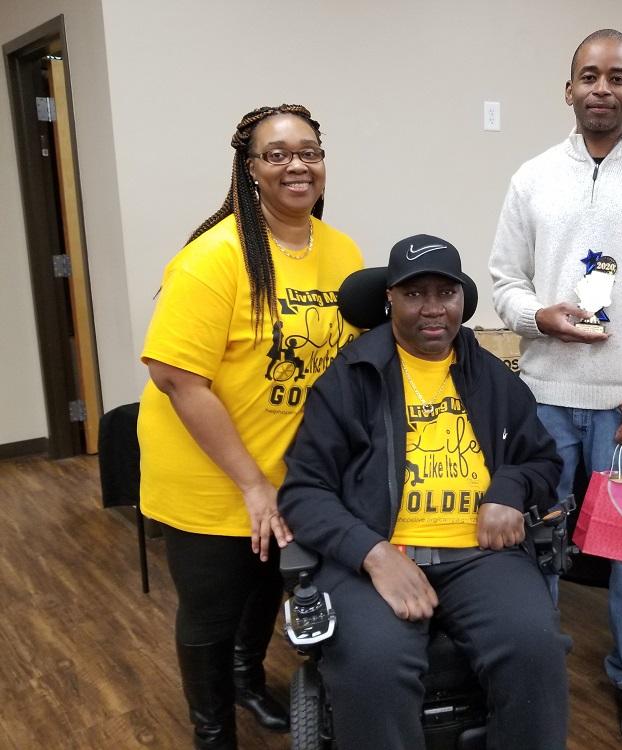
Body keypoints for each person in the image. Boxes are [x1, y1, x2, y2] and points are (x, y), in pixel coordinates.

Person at [489, 28, 622, 746]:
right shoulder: (532, 177)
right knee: (539, 542)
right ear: (569, 88)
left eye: (617, 77)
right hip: (545, 402)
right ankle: (535, 657)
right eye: (589, 75)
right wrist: (537, 316)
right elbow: (503, 284)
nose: (602, 88)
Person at [278, 235, 570, 750]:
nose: (433, 309)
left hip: (481, 555)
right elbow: (305, 491)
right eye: (415, 295)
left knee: (534, 647)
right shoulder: (350, 379)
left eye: (446, 293)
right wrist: (371, 554)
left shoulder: (493, 379)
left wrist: (509, 488)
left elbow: (542, 459)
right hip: (377, 552)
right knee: (372, 664)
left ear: (462, 299)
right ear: (389, 298)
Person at [138, 104, 363, 749]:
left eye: (309, 151)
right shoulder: (214, 258)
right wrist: (250, 483)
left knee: (269, 586)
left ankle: (246, 679)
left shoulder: (341, 251)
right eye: (277, 153)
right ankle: (212, 732)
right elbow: (177, 377)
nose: (297, 164)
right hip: (209, 474)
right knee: (211, 609)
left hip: (289, 470)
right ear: (250, 170)